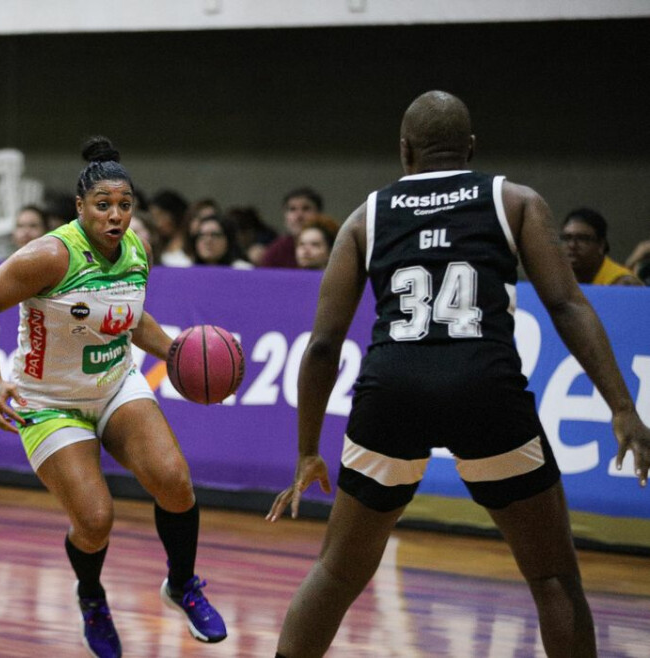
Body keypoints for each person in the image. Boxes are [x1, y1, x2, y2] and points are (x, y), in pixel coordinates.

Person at [266, 91, 650, 658]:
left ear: (404, 151)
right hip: (484, 389)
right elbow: (568, 306)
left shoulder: (365, 217)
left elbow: (323, 346)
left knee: (338, 572)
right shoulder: (513, 200)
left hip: (390, 393)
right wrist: (621, 406)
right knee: (552, 578)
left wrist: (306, 452)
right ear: (470, 149)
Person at [0, 137, 228, 657]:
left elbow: (129, 319)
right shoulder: (48, 255)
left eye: (124, 205)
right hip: (49, 401)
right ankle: (92, 597)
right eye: (103, 205)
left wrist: (179, 354)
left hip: (113, 385)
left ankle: (182, 585)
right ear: (80, 207)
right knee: (95, 520)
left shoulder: (138, 250)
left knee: (175, 482)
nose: (115, 215)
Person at [561, 208, 642, 286]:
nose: (572, 245)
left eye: (582, 238)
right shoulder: (558, 278)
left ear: (601, 245)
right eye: (567, 238)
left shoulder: (624, 285)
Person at [260, 187, 324, 269]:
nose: (299, 216)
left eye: (306, 208)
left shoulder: (336, 247)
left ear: (319, 214)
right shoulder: (275, 251)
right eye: (292, 209)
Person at [148, 189, 192, 267]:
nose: (157, 223)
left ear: (175, 214)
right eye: (154, 218)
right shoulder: (155, 246)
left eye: (161, 216)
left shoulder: (194, 244)